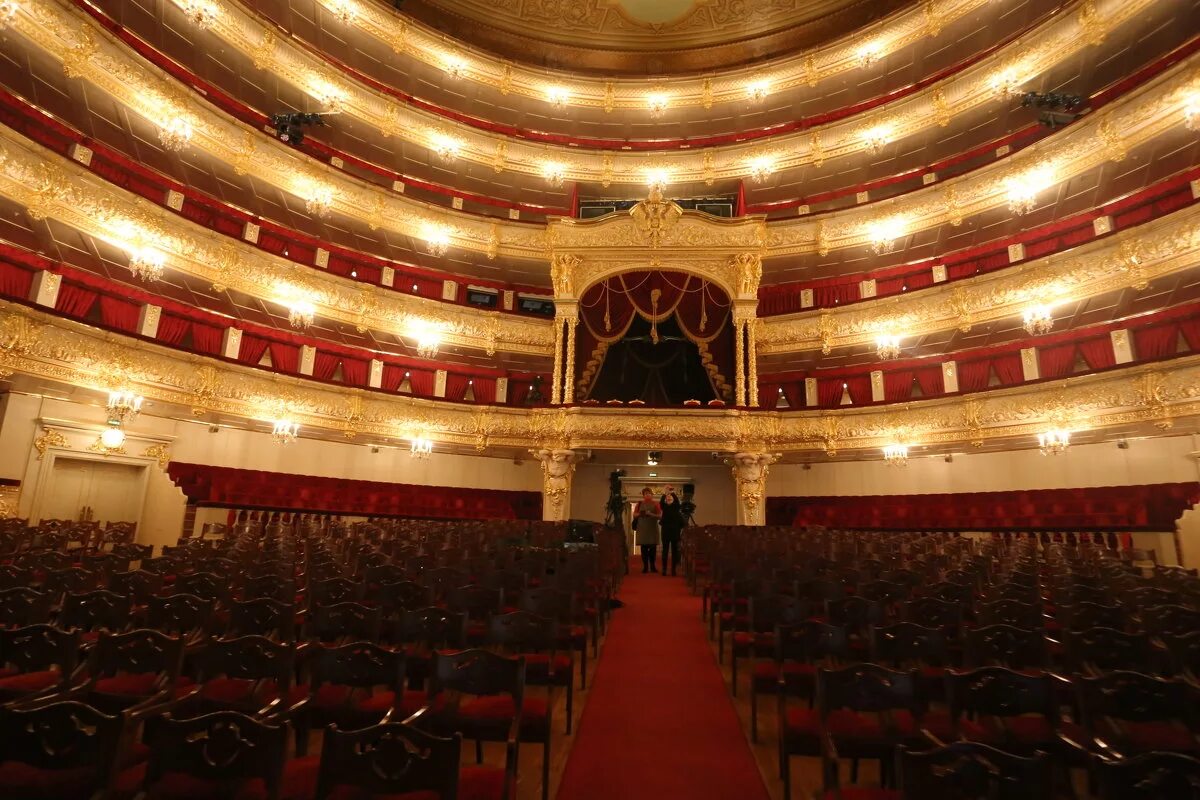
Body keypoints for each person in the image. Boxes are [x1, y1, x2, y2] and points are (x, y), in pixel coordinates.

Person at [634, 487, 661, 573]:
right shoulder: (639, 503)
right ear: (643, 495)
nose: (647, 495)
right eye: (645, 493)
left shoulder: (656, 504)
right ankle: (645, 566)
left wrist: (651, 514)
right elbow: (634, 515)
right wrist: (641, 514)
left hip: (652, 528)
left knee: (653, 548)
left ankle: (652, 566)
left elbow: (660, 516)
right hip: (642, 528)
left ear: (652, 495)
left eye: (649, 493)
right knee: (644, 549)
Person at [659, 489, 685, 576]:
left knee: (674, 552)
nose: (669, 500)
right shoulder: (664, 507)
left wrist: (672, 492)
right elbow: (661, 502)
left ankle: (673, 570)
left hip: (675, 532)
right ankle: (664, 569)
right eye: (668, 499)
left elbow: (677, 500)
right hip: (666, 532)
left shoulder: (676, 507)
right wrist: (665, 493)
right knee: (665, 551)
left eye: (671, 499)